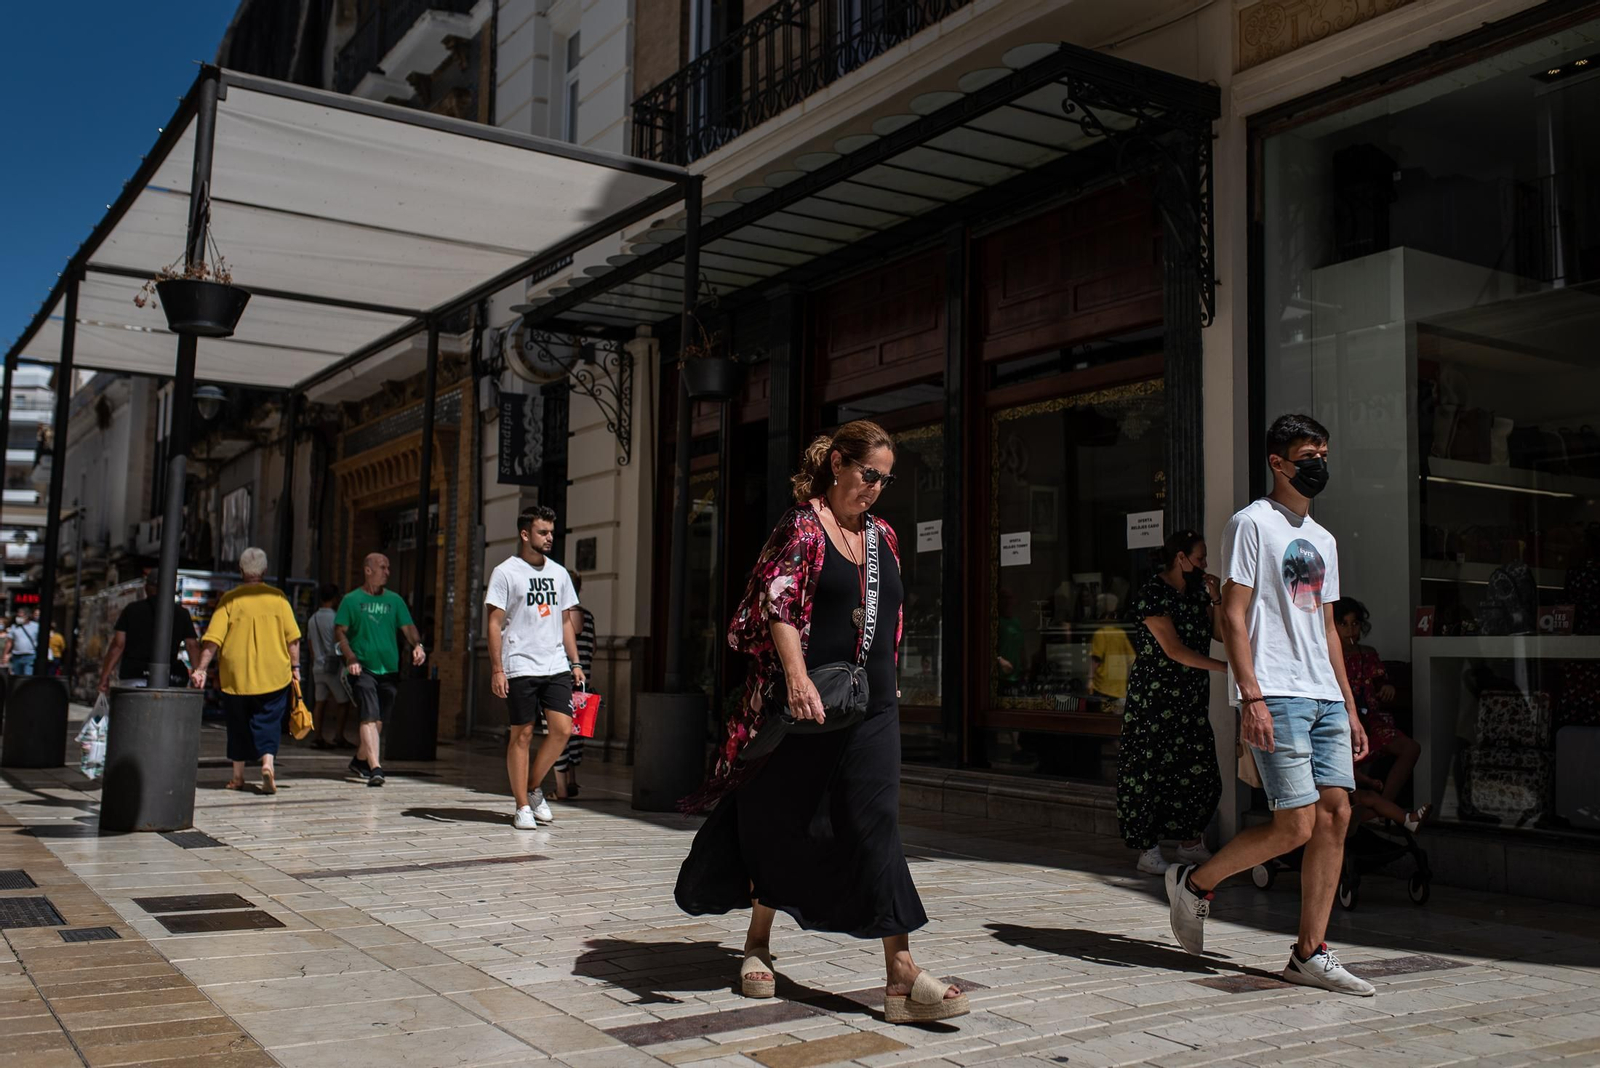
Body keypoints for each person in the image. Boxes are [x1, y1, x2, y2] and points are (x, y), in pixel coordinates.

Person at [675, 421, 968, 1025]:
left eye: (885, 479)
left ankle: (900, 973)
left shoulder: (883, 535)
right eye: (868, 474)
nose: (876, 487)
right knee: (781, 818)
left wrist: (892, 675)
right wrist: (797, 677)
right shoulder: (802, 527)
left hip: (873, 708)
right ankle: (758, 941)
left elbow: (889, 616)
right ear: (838, 463)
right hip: (808, 706)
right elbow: (777, 605)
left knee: (877, 823)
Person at [1164, 414, 1374, 997]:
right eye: (1308, 456)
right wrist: (1249, 694)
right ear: (1278, 463)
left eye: (1324, 455)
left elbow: (1327, 629)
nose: (1319, 466)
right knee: (1296, 823)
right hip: (1276, 691)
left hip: (1323, 694)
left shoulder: (1324, 539)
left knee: (1336, 815)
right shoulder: (1250, 523)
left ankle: (1309, 953)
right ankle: (1195, 883)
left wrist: (1350, 706)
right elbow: (1234, 615)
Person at [1117, 530, 1229, 875]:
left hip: (1190, 696)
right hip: (1155, 696)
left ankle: (1190, 842)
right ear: (1180, 558)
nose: (1205, 564)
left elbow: (1220, 634)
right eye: (1200, 557)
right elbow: (1174, 650)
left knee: (1200, 769)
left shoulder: (1196, 592)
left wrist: (1216, 599)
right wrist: (1228, 668)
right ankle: (1148, 849)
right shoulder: (1153, 593)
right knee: (1150, 769)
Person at [485, 506, 583, 829]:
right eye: (543, 532)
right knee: (523, 734)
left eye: (551, 532)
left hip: (555, 664)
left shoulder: (560, 574)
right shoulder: (505, 572)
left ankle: (532, 786)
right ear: (525, 534)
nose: (549, 537)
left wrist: (575, 662)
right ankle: (522, 805)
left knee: (563, 729)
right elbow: (494, 623)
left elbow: (566, 622)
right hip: (520, 664)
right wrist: (497, 669)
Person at [189, 549, 302, 794]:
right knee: (269, 721)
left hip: (236, 678)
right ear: (264, 571)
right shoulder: (278, 598)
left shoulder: (230, 600)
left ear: (241, 571)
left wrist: (200, 669)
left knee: (237, 724)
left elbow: (213, 640)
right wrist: (295, 668)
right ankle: (267, 764)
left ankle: (237, 777)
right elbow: (293, 639)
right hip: (274, 675)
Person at [335, 553, 426, 788]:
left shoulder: (395, 600)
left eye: (388, 568)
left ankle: (359, 760)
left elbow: (408, 627)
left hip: (389, 670)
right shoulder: (351, 600)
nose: (387, 572)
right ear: (368, 570)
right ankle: (375, 767)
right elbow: (340, 632)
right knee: (369, 715)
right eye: (382, 567)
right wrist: (350, 658)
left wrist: (418, 645)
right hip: (362, 669)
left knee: (378, 721)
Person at [1332, 597, 1421, 804]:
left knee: (1411, 748)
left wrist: (1387, 687)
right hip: (1340, 724)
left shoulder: (1368, 654)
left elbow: (1381, 681)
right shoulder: (1326, 656)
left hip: (1371, 722)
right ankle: (1369, 806)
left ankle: (1384, 805)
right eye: (1343, 624)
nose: (1350, 630)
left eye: (1355, 623)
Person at [97, 573, 202, 692]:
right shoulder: (181, 613)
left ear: (146, 588)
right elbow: (192, 645)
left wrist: (104, 676)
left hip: (134, 675)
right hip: (168, 677)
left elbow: (118, 644)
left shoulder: (132, 610)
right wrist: (197, 673)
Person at [555, 572, 597, 800]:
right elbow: (593, 647)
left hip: (562, 681)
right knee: (575, 734)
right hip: (584, 683)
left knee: (557, 734)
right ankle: (572, 779)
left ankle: (561, 788)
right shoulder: (589, 616)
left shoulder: (561, 615)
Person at [307, 584, 355, 750]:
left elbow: (310, 644)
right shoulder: (335, 618)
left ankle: (317, 736)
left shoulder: (312, 619)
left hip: (317, 666)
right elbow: (338, 642)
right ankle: (339, 736)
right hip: (333, 666)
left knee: (319, 702)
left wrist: (316, 660)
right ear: (335, 598)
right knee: (344, 701)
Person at [1088, 593, 1136, 712]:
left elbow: (1095, 660)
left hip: (1103, 686)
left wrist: (1089, 679)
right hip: (1119, 687)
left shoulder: (1100, 633)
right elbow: (1131, 659)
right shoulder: (1120, 633)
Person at [7, 608, 40, 677]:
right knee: (17, 677)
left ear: (27, 616)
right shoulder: (14, 627)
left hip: (30, 655)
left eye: (21, 616)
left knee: (27, 677)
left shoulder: (36, 627)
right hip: (16, 656)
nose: (18, 618)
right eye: (18, 616)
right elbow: (10, 641)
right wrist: (5, 654)